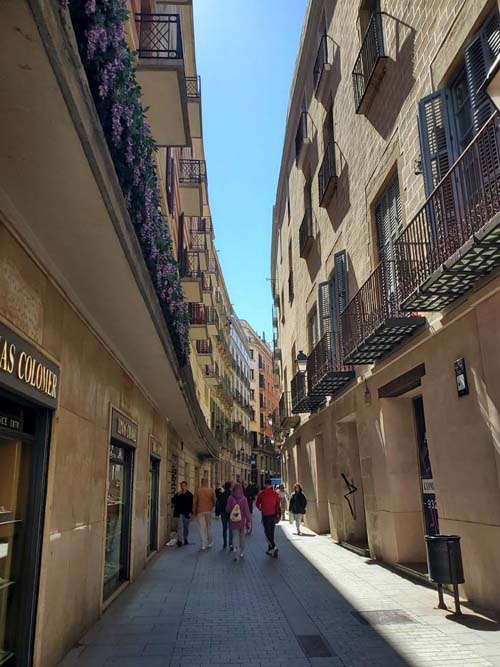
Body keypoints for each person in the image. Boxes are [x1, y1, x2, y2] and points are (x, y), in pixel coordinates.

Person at [226, 483, 252, 561]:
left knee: (235, 536)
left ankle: (234, 548)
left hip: (233, 520)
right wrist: (249, 520)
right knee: (242, 536)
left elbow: (227, 509)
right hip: (242, 521)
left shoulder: (230, 498)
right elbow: (247, 511)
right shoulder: (244, 499)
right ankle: (242, 552)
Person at [256, 479, 281, 557]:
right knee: (271, 532)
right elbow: (278, 504)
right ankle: (270, 550)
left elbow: (257, 504)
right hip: (273, 515)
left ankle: (274, 546)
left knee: (267, 533)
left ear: (265, 485)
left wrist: (261, 508)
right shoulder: (275, 494)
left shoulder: (261, 494)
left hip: (265, 515)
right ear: (271, 485)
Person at [193, 478, 216, 550]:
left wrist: (194, 511)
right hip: (209, 510)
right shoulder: (211, 490)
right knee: (209, 527)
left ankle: (203, 544)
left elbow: (194, 502)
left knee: (202, 528)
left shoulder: (198, 490)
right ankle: (210, 542)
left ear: (201, 482)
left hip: (200, 511)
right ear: (207, 482)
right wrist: (212, 507)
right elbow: (214, 500)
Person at [171, 481, 193, 547]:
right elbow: (173, 501)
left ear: (186, 486)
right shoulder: (178, 493)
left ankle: (185, 538)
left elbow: (192, 504)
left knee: (186, 527)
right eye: (181, 486)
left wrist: (191, 512)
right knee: (180, 527)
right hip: (179, 513)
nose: (182, 487)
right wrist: (177, 495)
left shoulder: (190, 494)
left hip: (186, 513)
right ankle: (180, 541)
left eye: (184, 486)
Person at [215, 481, 233, 550]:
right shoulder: (232, 495)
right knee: (231, 529)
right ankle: (230, 544)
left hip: (223, 513)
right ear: (230, 487)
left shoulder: (222, 494)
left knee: (224, 528)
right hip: (230, 513)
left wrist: (217, 513)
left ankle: (225, 543)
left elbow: (219, 503)